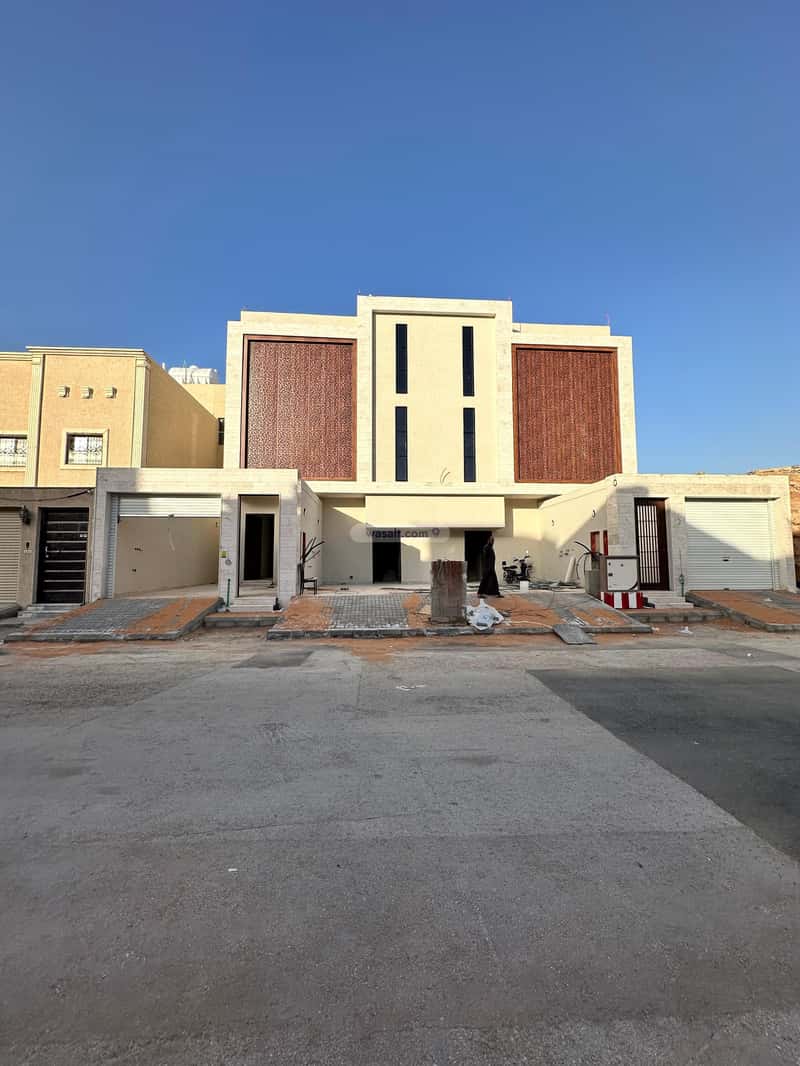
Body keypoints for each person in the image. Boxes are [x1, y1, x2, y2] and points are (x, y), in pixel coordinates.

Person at [477, 532, 502, 598]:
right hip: (488, 568)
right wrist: (488, 567)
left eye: (493, 540)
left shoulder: (490, 548)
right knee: (484, 580)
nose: (492, 541)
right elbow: (486, 558)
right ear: (488, 540)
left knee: (494, 581)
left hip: (491, 568)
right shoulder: (486, 547)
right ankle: (480, 593)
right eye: (491, 540)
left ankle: (496, 593)